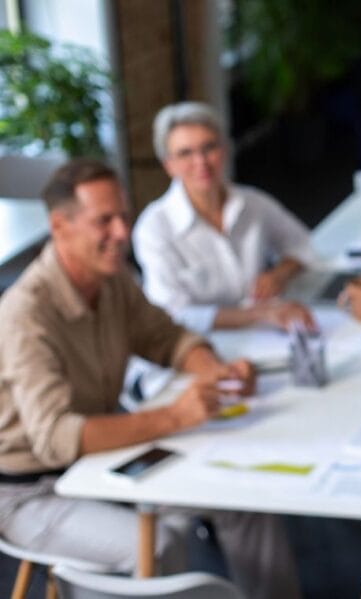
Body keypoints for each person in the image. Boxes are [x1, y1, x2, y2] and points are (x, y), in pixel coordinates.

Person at [0, 159, 302, 599]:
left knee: (242, 498)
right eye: (104, 221)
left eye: (123, 216)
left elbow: (167, 337)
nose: (123, 232)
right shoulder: (25, 314)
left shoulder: (112, 280)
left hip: (103, 463)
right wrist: (175, 417)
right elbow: (56, 438)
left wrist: (214, 372)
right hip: (32, 492)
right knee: (156, 545)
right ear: (60, 227)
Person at [133, 101, 315, 333]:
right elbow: (172, 312)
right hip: (205, 341)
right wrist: (259, 314)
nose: (201, 162)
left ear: (225, 150)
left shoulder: (253, 203)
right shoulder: (154, 228)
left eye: (209, 147)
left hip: (265, 334)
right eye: (185, 153)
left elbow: (302, 245)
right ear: (169, 165)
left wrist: (279, 274)